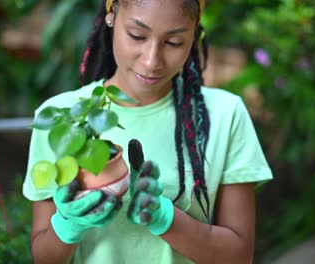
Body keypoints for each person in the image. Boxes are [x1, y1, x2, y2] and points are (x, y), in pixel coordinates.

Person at [22, 0, 273, 263]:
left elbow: (239, 256)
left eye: (174, 42)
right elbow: (44, 257)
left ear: (195, 34)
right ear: (111, 16)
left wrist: (167, 219)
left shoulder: (225, 115)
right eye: (137, 35)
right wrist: (68, 225)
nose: (152, 61)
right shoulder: (61, 120)